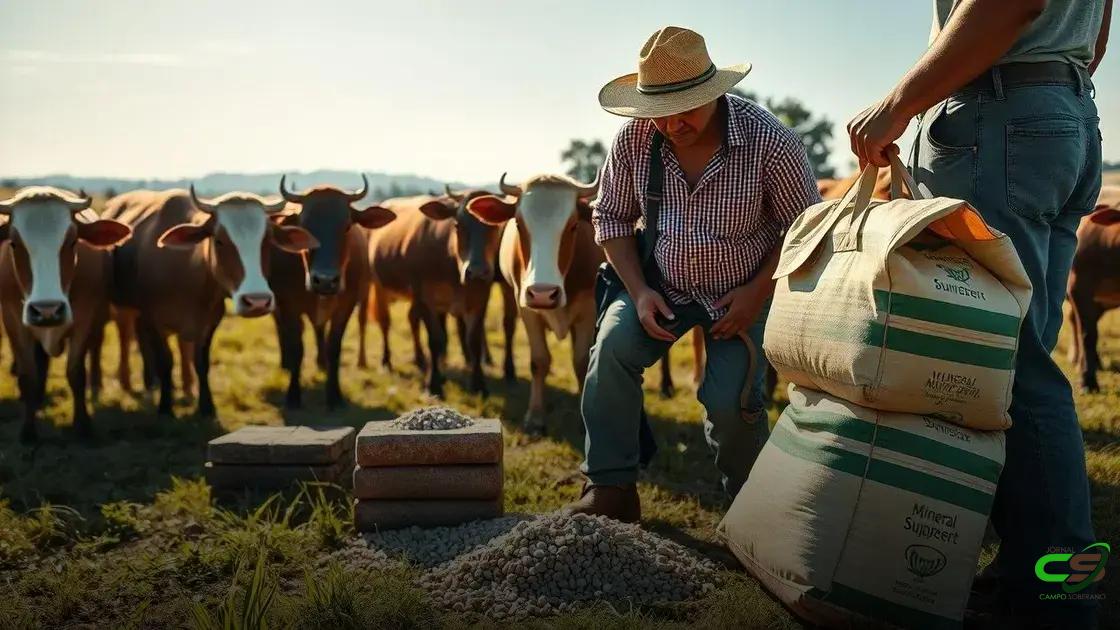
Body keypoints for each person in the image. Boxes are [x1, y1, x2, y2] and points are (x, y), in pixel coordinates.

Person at [848, 1, 1111, 627]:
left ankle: (1061, 600)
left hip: (1000, 118)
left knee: (1012, 366)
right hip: (1064, 110)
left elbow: (1009, 4)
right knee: (1024, 362)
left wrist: (897, 107)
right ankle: (1032, 570)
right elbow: (1094, 37)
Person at [566, 26, 819, 523]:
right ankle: (612, 489)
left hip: (744, 290)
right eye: (660, 112)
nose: (673, 124)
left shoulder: (770, 142)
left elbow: (805, 228)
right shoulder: (635, 141)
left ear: (714, 92)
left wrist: (755, 293)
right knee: (611, 352)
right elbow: (611, 218)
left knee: (731, 403)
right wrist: (638, 293)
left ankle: (752, 510)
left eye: (687, 108)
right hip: (659, 284)